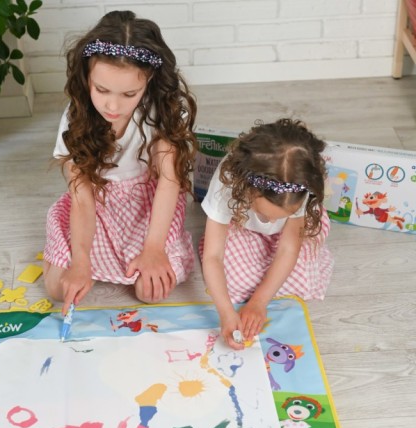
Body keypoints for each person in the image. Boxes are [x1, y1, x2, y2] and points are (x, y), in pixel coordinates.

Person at [43, 10, 197, 314]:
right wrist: (81, 261)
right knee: (58, 288)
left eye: (129, 93)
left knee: (150, 291)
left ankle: (160, 249)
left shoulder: (162, 112)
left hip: (148, 203)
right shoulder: (75, 118)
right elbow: (82, 198)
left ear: (149, 79)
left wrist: (153, 248)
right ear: (87, 76)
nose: (112, 105)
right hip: (95, 202)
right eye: (101, 90)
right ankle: (69, 254)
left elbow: (169, 183)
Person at [200, 118, 334, 349]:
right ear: (246, 188)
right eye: (265, 214)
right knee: (231, 281)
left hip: (292, 235)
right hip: (243, 226)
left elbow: (288, 249)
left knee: (303, 275)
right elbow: (213, 256)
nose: (272, 222)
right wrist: (226, 312)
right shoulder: (229, 179)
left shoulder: (299, 183)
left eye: (281, 216)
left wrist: (259, 302)